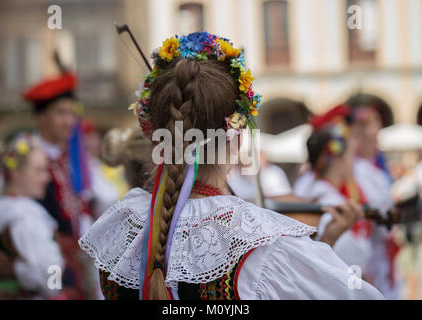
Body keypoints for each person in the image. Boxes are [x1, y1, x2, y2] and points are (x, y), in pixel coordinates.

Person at [79, 32, 383, 300]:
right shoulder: (264, 247)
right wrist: (325, 246)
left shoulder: (119, 232)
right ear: (237, 140)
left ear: (152, 133)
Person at [22, 72, 91, 299]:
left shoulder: (67, 159)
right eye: (61, 113)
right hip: (41, 271)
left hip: (71, 270)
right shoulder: (26, 158)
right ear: (41, 117)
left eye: (72, 113)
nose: (69, 121)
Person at [0, 134, 64, 299]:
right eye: (39, 170)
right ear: (16, 173)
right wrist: (56, 288)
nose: (46, 178)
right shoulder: (24, 215)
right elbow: (50, 270)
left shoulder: (1, 207)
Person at [299, 105, 374, 274]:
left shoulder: (319, 191)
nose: (353, 162)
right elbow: (350, 260)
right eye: (350, 155)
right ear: (336, 158)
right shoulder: (329, 201)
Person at [350, 105, 400, 299]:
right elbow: (375, 209)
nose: (375, 140)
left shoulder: (377, 163)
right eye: (369, 137)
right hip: (368, 247)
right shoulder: (358, 169)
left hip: (380, 247)